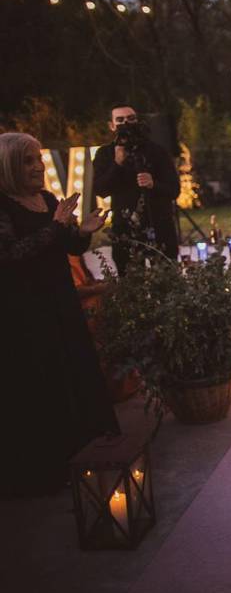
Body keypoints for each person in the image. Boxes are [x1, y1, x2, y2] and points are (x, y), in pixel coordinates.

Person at [0, 132, 118, 498]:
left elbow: (66, 246)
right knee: (46, 380)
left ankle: (91, 451)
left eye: (38, 159)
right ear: (8, 166)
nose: (37, 167)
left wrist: (83, 231)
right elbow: (11, 256)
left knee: (75, 370)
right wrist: (55, 226)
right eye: (28, 161)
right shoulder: (4, 206)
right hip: (27, 313)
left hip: (61, 303)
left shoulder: (47, 199)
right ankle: (54, 465)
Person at [93, 104, 180, 275]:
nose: (126, 123)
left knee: (167, 281)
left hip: (159, 226)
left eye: (130, 118)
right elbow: (101, 189)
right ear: (112, 125)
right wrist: (117, 163)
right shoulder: (105, 153)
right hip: (125, 229)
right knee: (131, 282)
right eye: (120, 120)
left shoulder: (157, 151)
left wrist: (153, 184)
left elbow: (174, 190)